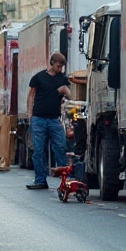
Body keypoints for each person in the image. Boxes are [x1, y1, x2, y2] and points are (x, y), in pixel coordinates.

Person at [26, 52, 71, 190]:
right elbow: (31, 95)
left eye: (62, 67)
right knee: (39, 150)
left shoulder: (62, 79)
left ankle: (65, 180)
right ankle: (40, 180)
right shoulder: (39, 77)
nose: (60, 70)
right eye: (58, 66)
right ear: (52, 63)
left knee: (60, 147)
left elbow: (70, 96)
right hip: (39, 118)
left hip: (54, 119)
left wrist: (65, 90)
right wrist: (30, 115)